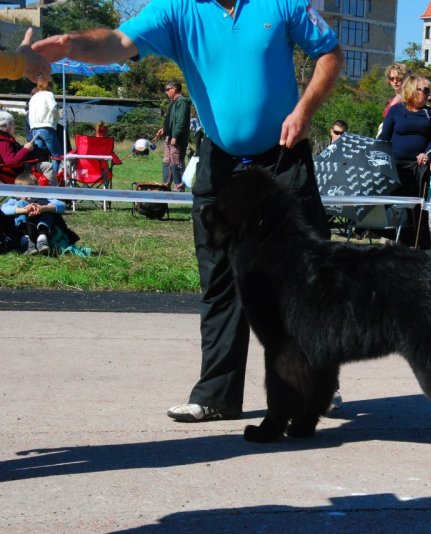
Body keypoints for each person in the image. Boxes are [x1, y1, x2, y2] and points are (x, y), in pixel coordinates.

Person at [34, 0, 343, 422]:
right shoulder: (176, 10)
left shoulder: (284, 3)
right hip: (220, 160)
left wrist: (304, 111)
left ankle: (318, 383)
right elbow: (118, 41)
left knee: (307, 274)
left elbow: (329, 52)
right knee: (219, 276)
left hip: (285, 156)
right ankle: (216, 395)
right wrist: (71, 43)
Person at [378, 75, 431, 250]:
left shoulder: (430, 113)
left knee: (417, 207)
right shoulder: (396, 110)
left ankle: (421, 245)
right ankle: (393, 242)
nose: (428, 94)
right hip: (395, 165)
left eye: (430, 91)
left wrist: (426, 154)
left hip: (418, 167)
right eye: (425, 90)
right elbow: (384, 137)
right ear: (413, 90)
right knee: (393, 204)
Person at [1, 171, 65, 256]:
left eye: (32, 190)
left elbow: (62, 205)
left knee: (47, 208)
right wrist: (23, 210)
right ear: (17, 193)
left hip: (41, 230)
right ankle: (27, 243)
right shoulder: (14, 201)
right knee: (21, 203)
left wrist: (43, 208)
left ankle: (42, 239)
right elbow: (4, 209)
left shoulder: (43, 199)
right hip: (23, 232)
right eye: (25, 192)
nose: (29, 196)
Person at [0, 110, 54, 186]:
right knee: (48, 166)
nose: (14, 126)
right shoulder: (3, 141)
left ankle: (47, 192)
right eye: (12, 124)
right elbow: (11, 162)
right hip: (16, 173)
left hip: (18, 169)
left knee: (45, 162)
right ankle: (52, 194)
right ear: (5, 127)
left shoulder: (5, 138)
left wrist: (25, 149)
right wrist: (26, 149)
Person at [156, 81, 191, 192]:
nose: (166, 92)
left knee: (177, 161)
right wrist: (164, 129)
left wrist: (175, 136)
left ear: (174, 89)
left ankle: (180, 186)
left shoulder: (182, 102)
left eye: (167, 89)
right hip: (168, 136)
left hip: (177, 139)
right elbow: (171, 120)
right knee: (167, 161)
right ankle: (166, 185)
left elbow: (181, 121)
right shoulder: (173, 102)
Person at [27, 78, 63, 179]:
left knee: (40, 156)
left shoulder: (33, 97)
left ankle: (40, 178)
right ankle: (53, 179)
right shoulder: (48, 94)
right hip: (46, 127)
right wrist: (58, 117)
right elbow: (53, 107)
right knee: (57, 156)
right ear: (49, 86)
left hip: (34, 129)